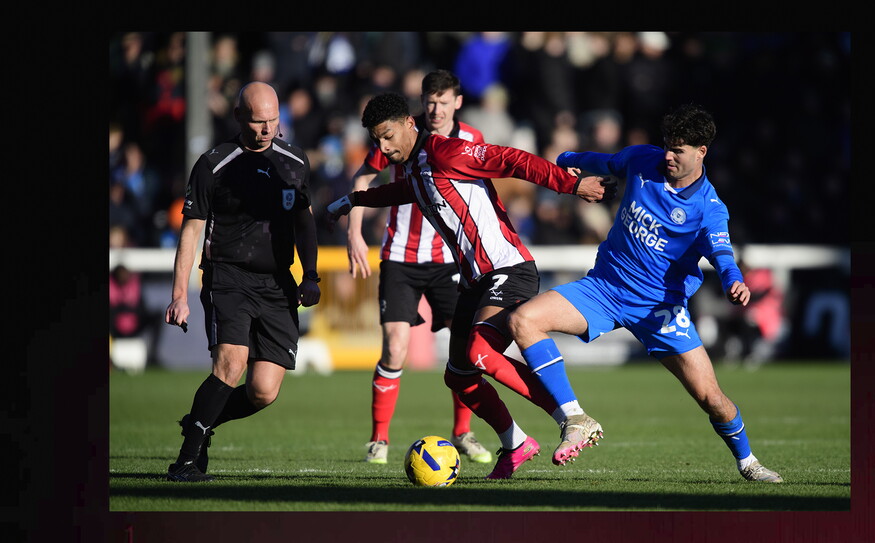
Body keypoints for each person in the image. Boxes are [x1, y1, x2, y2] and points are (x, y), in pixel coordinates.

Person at [323, 92, 616, 479]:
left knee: (479, 351)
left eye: (388, 135)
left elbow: (514, 160)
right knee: (458, 375)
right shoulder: (414, 167)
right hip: (478, 280)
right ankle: (516, 443)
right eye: (377, 140)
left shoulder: (447, 151)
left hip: (509, 268)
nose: (383, 147)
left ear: (410, 124)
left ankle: (572, 416)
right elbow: (405, 192)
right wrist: (355, 199)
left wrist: (568, 185)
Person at [507, 104, 783, 483]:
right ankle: (575, 417)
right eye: (668, 145)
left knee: (712, 399)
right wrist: (565, 160)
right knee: (524, 320)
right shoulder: (643, 160)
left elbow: (722, 252)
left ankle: (748, 462)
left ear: (702, 152)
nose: (668, 155)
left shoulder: (709, 208)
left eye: (679, 149)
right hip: (603, 289)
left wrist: (733, 279)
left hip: (660, 310)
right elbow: (601, 161)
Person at [164, 81, 321, 482]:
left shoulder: (295, 161)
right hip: (227, 278)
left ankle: (202, 421)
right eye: (257, 121)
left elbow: (304, 224)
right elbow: (191, 231)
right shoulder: (213, 164)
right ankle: (185, 461)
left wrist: (311, 275)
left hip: (277, 283)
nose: (266, 129)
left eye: (272, 120)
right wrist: (179, 294)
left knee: (263, 391)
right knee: (231, 363)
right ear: (238, 117)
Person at [346, 70, 492, 465]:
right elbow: (364, 176)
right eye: (430, 101)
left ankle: (463, 432)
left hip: (450, 260)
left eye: (444, 102)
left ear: (457, 103)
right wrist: (354, 233)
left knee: (465, 349)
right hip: (400, 258)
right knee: (395, 348)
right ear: (421, 104)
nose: (436, 108)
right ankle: (379, 439)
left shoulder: (471, 141)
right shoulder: (400, 135)